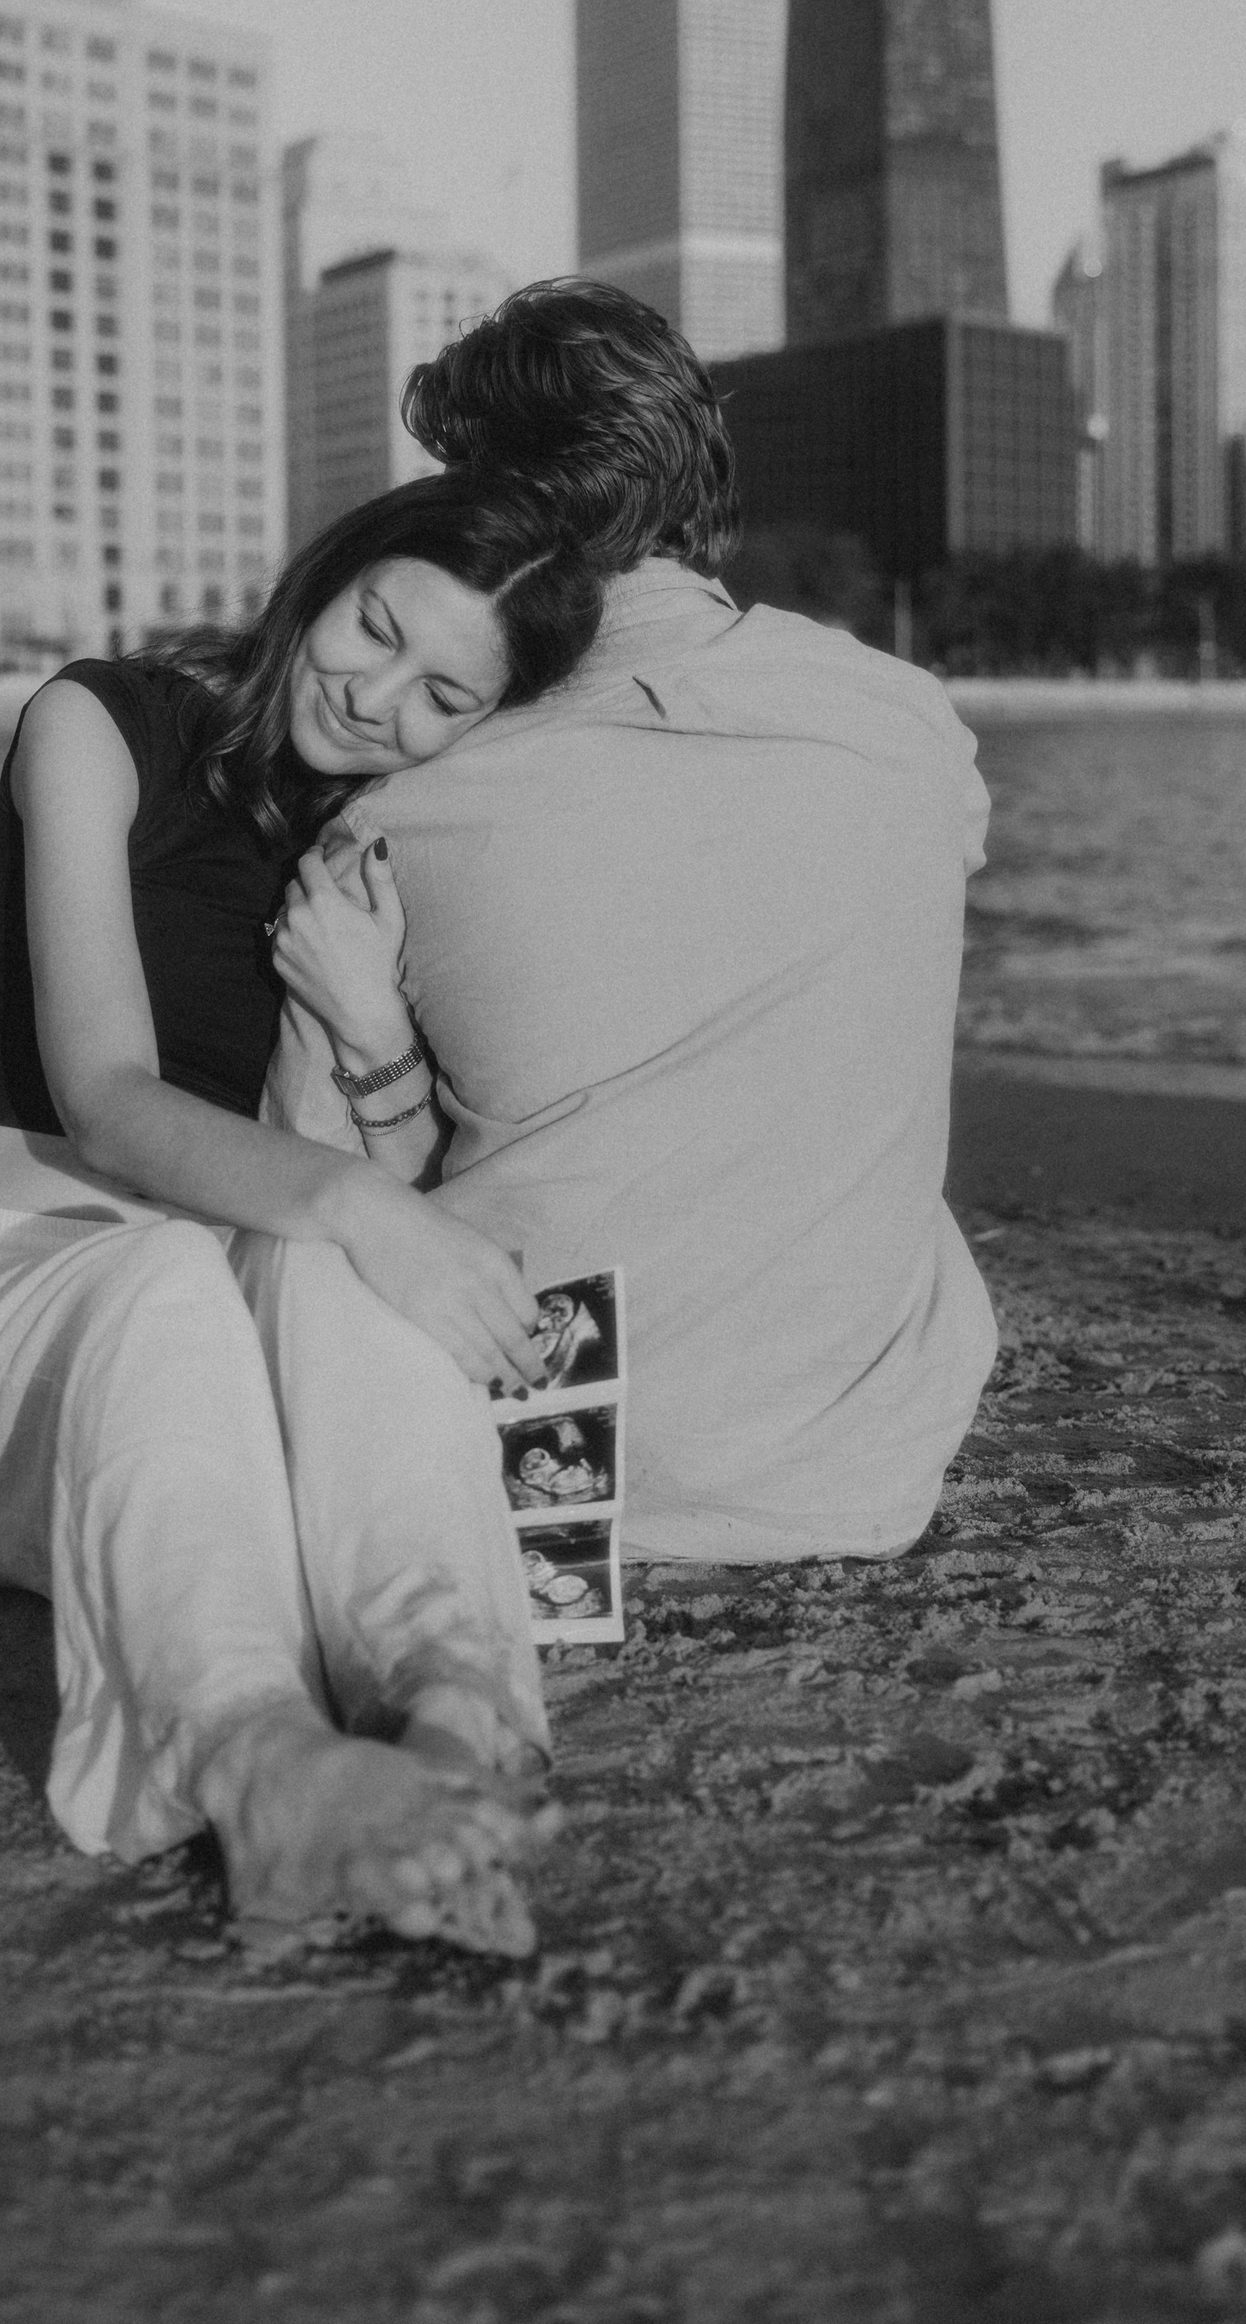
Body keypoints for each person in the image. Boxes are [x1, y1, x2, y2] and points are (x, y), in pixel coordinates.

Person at [0, 472, 602, 1957]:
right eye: (375, 630)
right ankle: (256, 1764)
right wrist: (357, 1202)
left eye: (444, 697)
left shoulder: (385, 841)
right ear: (326, 576)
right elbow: (106, 1100)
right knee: (216, 1256)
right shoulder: (100, 727)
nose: (377, 700)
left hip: (200, 1371)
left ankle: (454, 1720)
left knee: (328, 1266)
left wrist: (370, 1031)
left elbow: (398, 1204)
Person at [275, 280, 999, 1565]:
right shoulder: (916, 726)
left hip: (550, 1482)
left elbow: (316, 1189)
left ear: (487, 506)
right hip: (863, 1473)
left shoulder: (398, 818)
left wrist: (382, 1051)